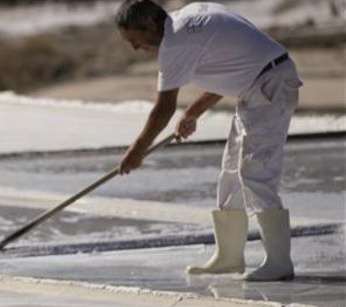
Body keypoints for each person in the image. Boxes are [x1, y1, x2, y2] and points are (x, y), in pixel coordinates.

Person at [115, 0, 301, 281]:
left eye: (135, 40)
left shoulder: (175, 43)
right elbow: (233, 68)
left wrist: (136, 151)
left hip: (270, 85)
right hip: (261, 83)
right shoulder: (189, 16)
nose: (136, 49)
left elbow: (163, 109)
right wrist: (193, 113)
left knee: (255, 172)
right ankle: (229, 256)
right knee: (231, 174)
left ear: (150, 25)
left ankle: (279, 262)